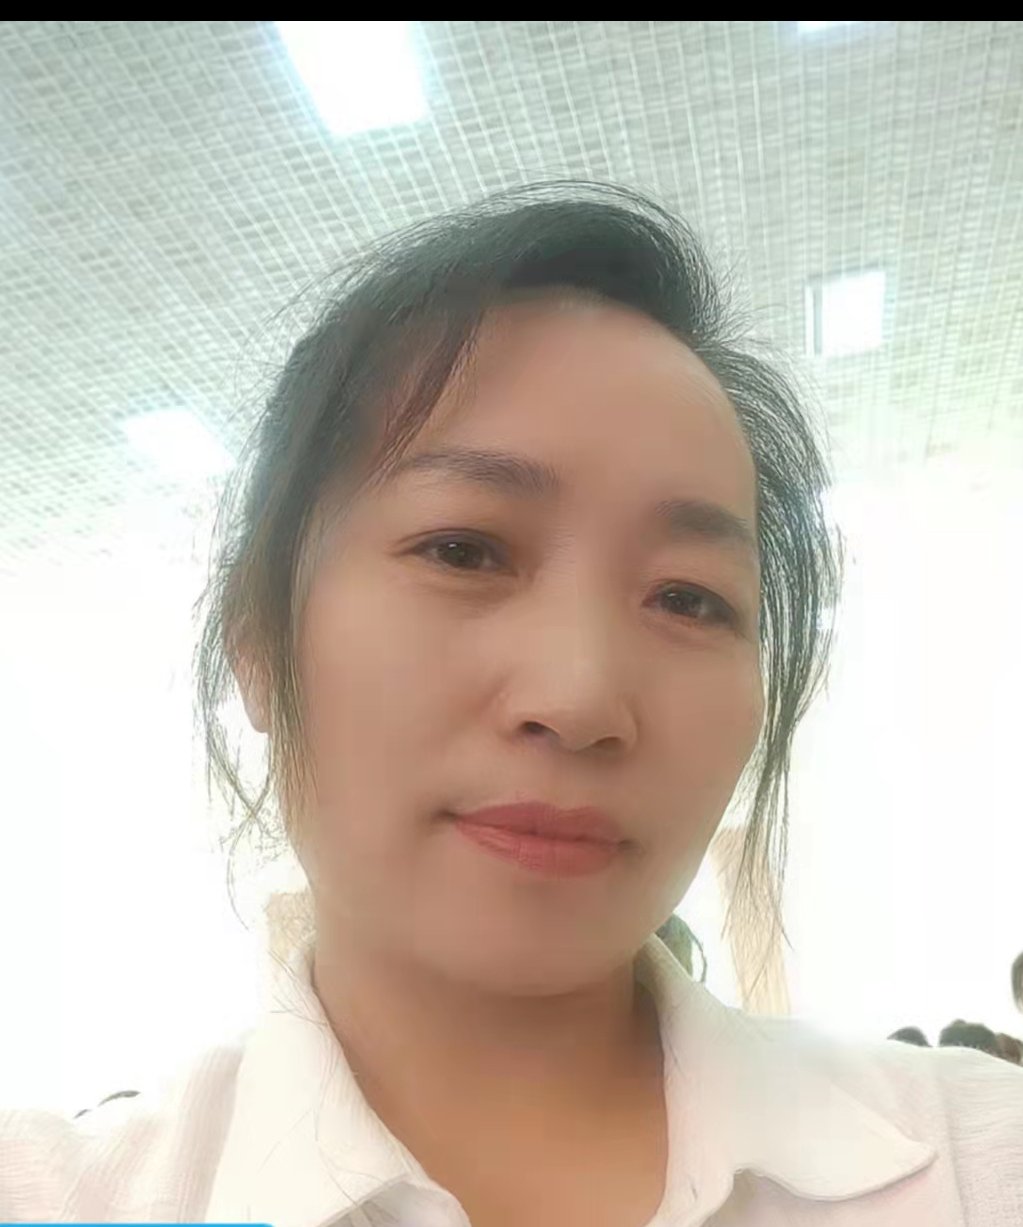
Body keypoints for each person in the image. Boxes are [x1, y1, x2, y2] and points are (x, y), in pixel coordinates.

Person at [2, 184, 1021, 1225]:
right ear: (259, 642)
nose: (579, 697)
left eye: (688, 598)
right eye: (463, 550)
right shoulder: (52, 1195)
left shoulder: (979, 1164)